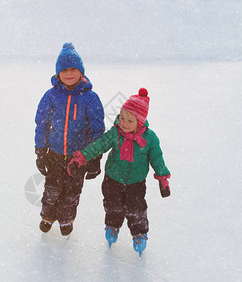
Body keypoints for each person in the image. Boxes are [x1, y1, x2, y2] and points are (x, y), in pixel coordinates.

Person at [67, 88, 170, 256]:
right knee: (112, 205)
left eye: (130, 120)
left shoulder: (150, 138)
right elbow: (98, 145)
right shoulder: (115, 133)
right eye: (122, 117)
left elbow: (157, 158)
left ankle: (139, 234)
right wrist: (82, 157)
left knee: (136, 209)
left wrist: (163, 178)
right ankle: (113, 226)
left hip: (136, 183)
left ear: (140, 122)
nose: (124, 123)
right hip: (112, 179)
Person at [34, 42, 105, 236]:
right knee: (52, 188)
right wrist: (40, 151)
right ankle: (47, 216)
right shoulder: (51, 96)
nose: (69, 74)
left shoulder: (90, 98)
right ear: (58, 74)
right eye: (64, 70)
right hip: (55, 153)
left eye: (73, 69)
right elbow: (42, 124)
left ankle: (66, 219)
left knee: (72, 192)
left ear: (81, 72)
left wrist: (94, 157)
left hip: (79, 157)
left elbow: (97, 130)